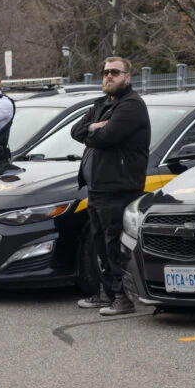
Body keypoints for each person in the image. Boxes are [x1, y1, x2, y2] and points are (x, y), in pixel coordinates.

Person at [71, 56, 150, 316]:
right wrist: (95, 125)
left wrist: (95, 131)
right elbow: (76, 131)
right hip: (97, 188)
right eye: (105, 72)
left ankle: (122, 298)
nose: (108, 76)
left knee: (114, 245)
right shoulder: (101, 104)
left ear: (127, 77)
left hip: (119, 187)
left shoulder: (132, 106)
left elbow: (107, 138)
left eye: (115, 72)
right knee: (101, 245)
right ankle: (106, 292)